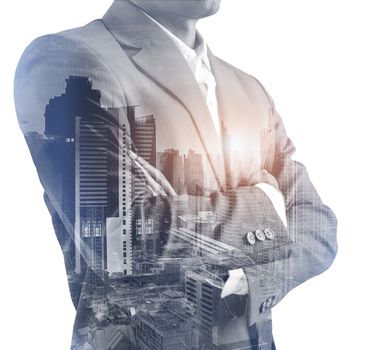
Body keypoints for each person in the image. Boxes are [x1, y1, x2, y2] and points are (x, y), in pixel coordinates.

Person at [14, 0, 338, 349]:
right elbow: (118, 240)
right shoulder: (69, 60)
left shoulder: (249, 89)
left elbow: (318, 229)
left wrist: (248, 277)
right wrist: (267, 206)